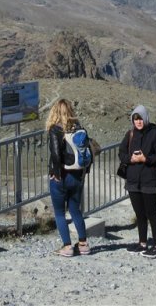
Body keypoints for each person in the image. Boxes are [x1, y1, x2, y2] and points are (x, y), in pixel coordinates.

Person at [119, 105, 156, 258]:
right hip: (133, 180)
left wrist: (146, 159)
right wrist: (130, 159)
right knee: (139, 214)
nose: (138, 122)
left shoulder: (155, 133)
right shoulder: (130, 134)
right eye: (135, 119)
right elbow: (121, 153)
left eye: (140, 118)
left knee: (151, 214)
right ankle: (143, 243)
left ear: (145, 118)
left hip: (149, 180)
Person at [46, 98, 90, 257]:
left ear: (55, 112)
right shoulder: (79, 128)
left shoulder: (55, 129)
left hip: (62, 176)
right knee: (75, 209)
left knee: (59, 213)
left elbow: (56, 154)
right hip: (77, 175)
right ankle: (83, 244)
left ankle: (67, 246)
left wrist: (56, 175)